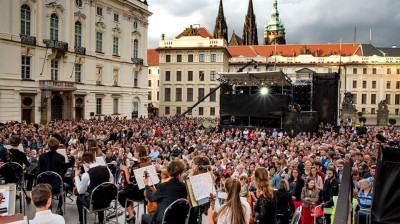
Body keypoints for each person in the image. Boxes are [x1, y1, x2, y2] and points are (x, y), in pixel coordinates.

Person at [141, 160, 188, 224]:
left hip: (164, 220)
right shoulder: (184, 186)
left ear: (168, 172)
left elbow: (151, 198)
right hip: (178, 220)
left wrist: (146, 185)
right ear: (180, 173)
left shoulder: (163, 186)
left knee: (143, 216)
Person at [75, 152, 113, 224]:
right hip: (107, 201)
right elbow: (111, 182)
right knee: (101, 192)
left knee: (79, 198)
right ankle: (101, 221)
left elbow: (80, 191)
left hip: (95, 204)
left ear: (86, 162)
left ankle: (82, 222)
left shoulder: (86, 174)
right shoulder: (106, 168)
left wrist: (76, 176)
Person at [118, 145, 151, 223]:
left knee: (121, 193)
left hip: (140, 194)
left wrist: (126, 170)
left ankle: (131, 215)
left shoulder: (136, 166)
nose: (134, 153)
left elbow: (130, 182)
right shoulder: (148, 162)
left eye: (135, 151)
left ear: (138, 153)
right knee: (127, 189)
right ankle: (132, 211)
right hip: (147, 190)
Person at [37, 137, 67, 215]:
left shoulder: (42, 157)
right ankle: (59, 207)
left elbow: (39, 172)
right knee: (64, 186)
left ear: (48, 146)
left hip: (44, 187)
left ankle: (48, 206)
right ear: (57, 146)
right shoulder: (61, 157)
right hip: (57, 186)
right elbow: (63, 172)